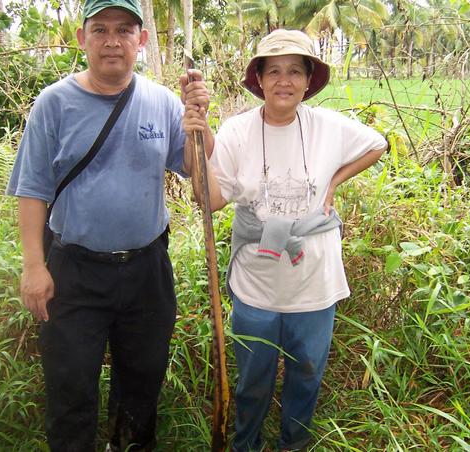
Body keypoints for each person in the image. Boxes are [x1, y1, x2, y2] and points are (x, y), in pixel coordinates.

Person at [6, 0, 210, 450]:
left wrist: (200, 123)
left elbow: (197, 172)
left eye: (124, 29)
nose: (112, 41)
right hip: (74, 271)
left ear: (142, 39)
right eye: (100, 30)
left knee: (141, 382)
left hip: (146, 269)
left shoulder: (161, 101)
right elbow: (32, 189)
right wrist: (33, 267)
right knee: (70, 384)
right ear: (82, 39)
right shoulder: (54, 104)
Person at [184, 29, 388, 451]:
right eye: (273, 70)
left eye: (295, 71)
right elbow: (210, 199)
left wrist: (334, 180)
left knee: (307, 377)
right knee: (251, 382)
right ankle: (245, 444)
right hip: (255, 288)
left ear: (308, 80)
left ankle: (293, 445)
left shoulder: (328, 126)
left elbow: (378, 144)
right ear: (257, 78)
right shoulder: (238, 131)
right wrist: (198, 138)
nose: (284, 80)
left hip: (315, 287)